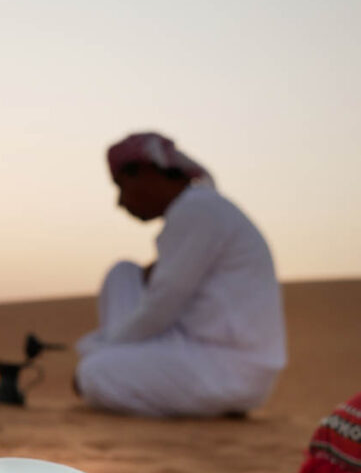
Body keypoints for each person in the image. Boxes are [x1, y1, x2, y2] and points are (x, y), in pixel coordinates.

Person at [75, 132, 287, 417]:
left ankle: (115, 363)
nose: (120, 202)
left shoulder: (197, 209)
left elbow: (160, 308)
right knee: (123, 274)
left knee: (94, 373)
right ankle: (116, 358)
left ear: (147, 172)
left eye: (122, 186)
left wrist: (101, 350)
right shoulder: (200, 209)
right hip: (205, 355)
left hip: (229, 367)